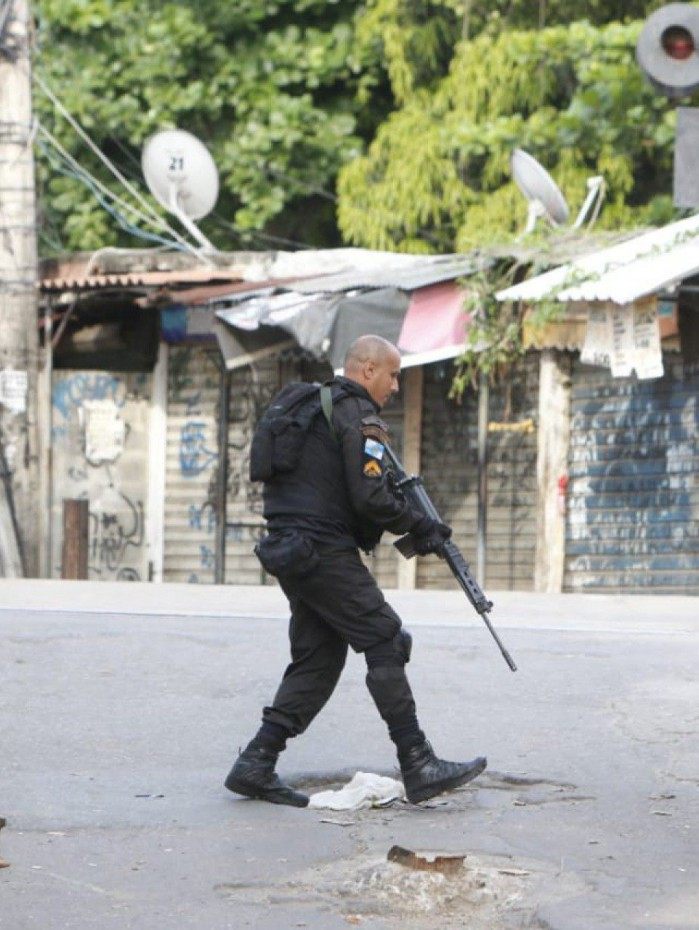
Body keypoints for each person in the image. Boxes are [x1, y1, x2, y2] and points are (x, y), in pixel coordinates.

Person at [225, 334, 486, 807]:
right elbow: (371, 497)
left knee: (319, 659)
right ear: (368, 370)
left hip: (291, 548)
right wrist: (420, 525)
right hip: (322, 550)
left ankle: (256, 762)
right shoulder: (359, 416)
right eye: (393, 375)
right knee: (385, 638)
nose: (395, 386)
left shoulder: (313, 407)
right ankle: (418, 761)